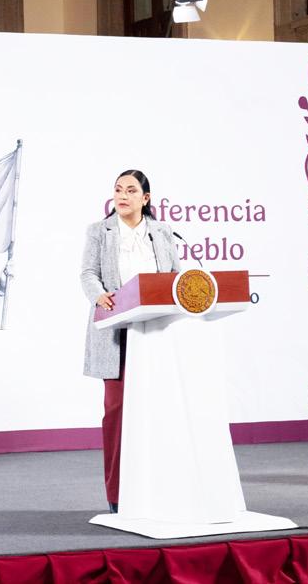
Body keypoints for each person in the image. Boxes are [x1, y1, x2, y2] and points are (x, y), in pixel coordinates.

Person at [80, 169, 182, 514]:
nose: (122, 196)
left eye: (131, 190)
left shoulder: (163, 232)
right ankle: (118, 494)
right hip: (117, 331)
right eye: (118, 190)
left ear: (145, 198)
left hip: (156, 330)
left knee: (158, 410)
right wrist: (99, 295)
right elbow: (88, 273)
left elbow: (175, 276)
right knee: (117, 412)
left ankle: (160, 489)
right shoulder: (100, 231)